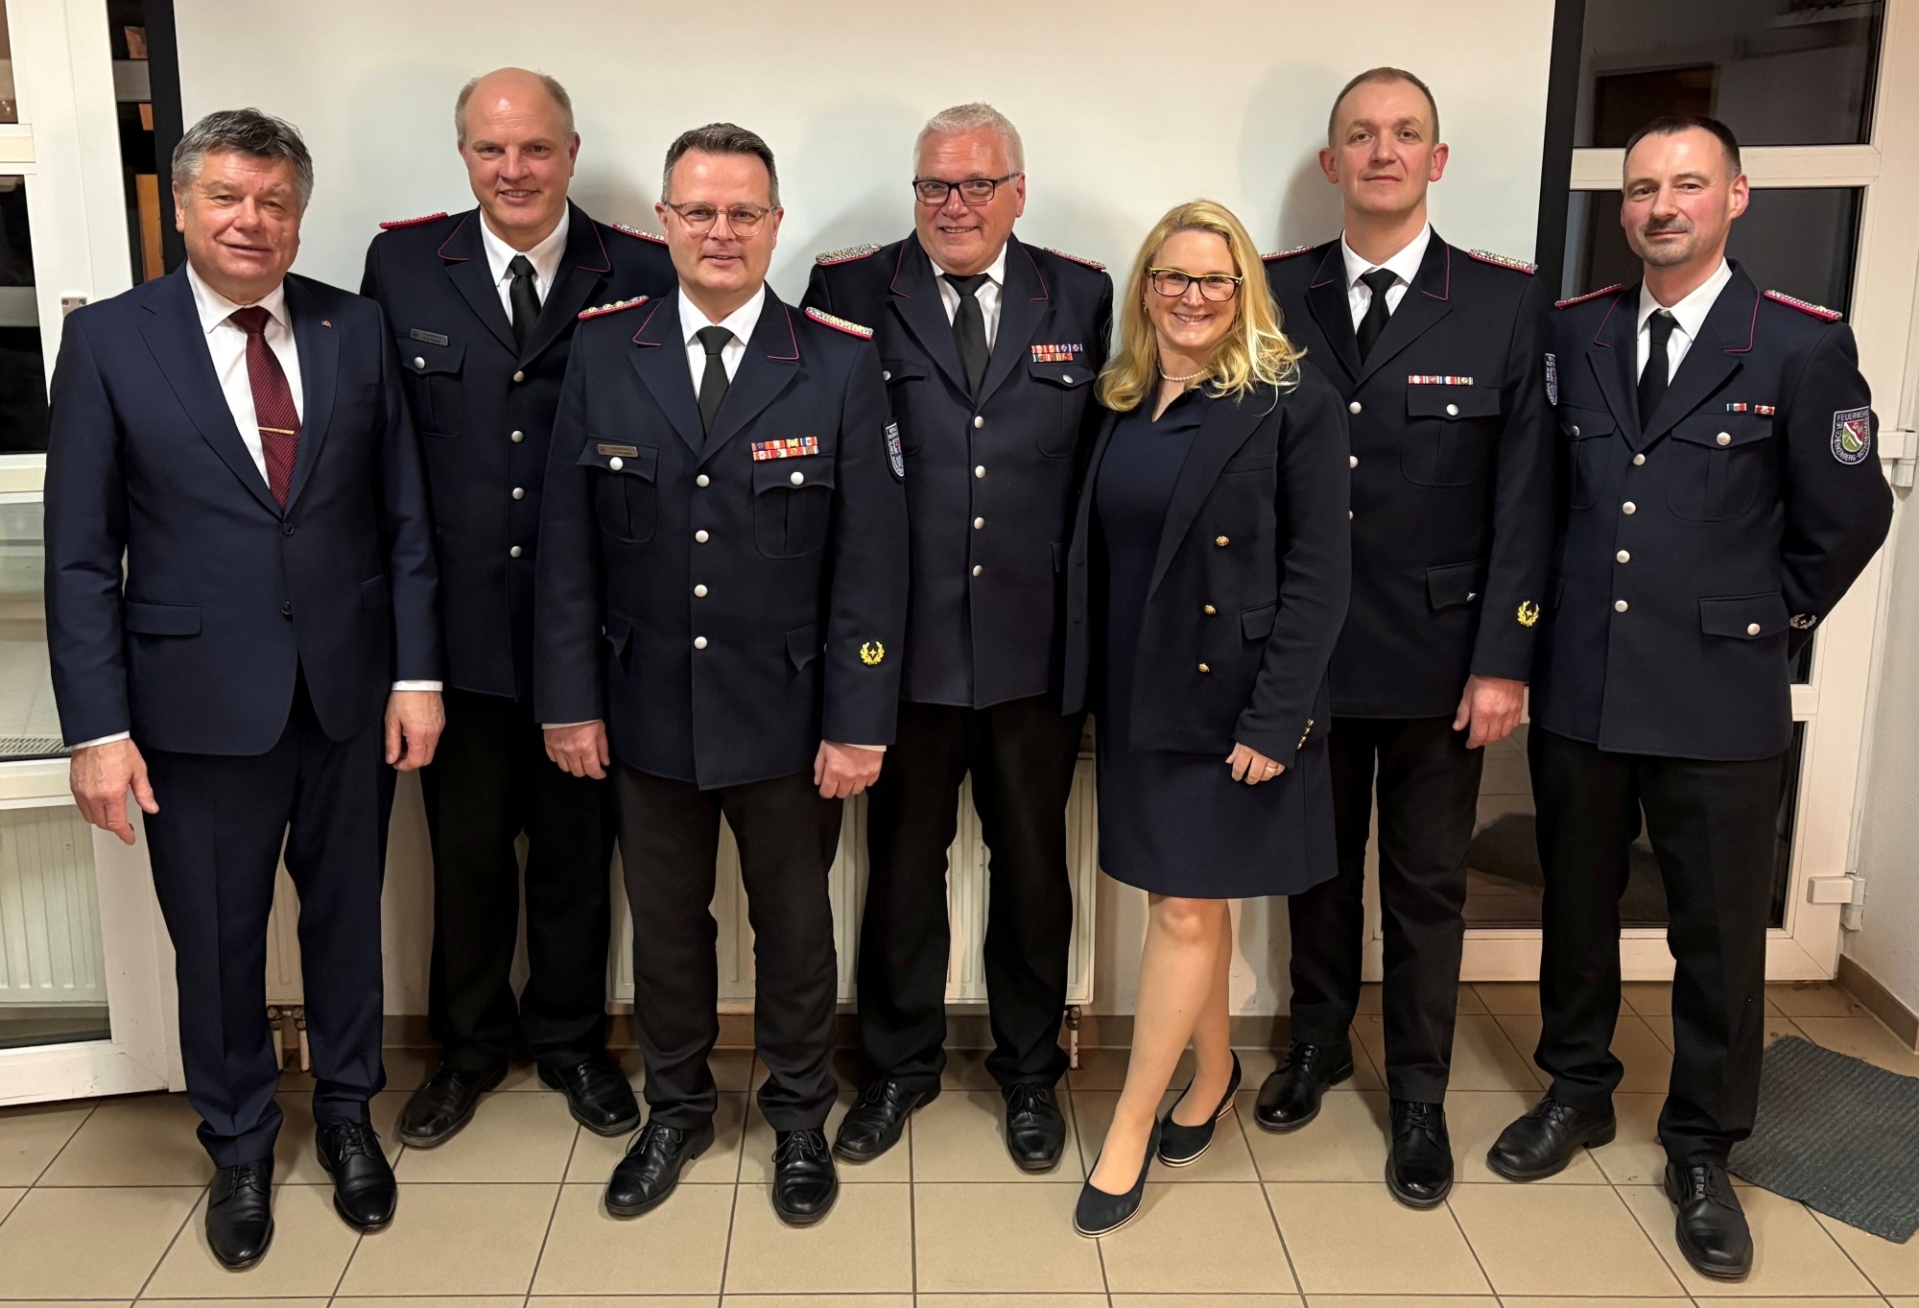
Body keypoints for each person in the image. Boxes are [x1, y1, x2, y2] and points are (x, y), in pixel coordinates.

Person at [1488, 116, 1892, 1280]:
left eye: (1685, 185)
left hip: (1719, 692)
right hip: (1584, 683)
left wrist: (1762, 620)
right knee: (1574, 900)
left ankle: (1703, 1147)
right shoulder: (1574, 334)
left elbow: (1849, 514)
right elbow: (1544, 500)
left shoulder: (1798, 346)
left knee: (1715, 934)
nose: (1659, 206)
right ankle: (1576, 1090)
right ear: (1623, 209)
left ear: (1734, 198)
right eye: (1640, 190)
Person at [44, 109, 442, 1267]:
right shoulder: (114, 342)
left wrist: (416, 676)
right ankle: (236, 1146)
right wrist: (98, 729)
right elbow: (79, 555)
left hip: (348, 696)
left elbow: (403, 518)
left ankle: (349, 1118)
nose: (250, 221)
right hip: (191, 707)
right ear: (181, 206)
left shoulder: (353, 327)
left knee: (345, 925)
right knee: (216, 943)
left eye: (273, 202)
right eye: (227, 197)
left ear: (298, 214)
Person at [536, 123, 907, 1227]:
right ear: (662, 221)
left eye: (743, 212)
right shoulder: (607, 351)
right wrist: (569, 700)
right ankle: (679, 1108)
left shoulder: (835, 360)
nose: (720, 232)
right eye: (697, 211)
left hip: (790, 715)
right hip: (645, 706)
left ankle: (797, 1118)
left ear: (775, 226)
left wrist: (858, 719)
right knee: (665, 924)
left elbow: (870, 567)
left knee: (795, 929)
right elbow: (568, 548)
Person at [360, 68, 674, 1149]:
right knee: (467, 860)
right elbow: (385, 458)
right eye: (491, 151)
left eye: (535, 149)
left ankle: (574, 1044)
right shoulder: (403, 264)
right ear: (464, 158)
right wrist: (405, 659)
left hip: (592, 639)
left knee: (581, 857)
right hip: (455, 638)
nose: (514, 171)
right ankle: (467, 1050)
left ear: (571, 152)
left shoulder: (635, 267)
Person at [1257, 67, 1553, 1206]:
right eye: (1359, 136)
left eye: (1405, 134)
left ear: (1434, 162)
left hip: (1441, 662)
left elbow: (1526, 498)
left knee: (1425, 887)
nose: (1381, 152)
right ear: (1330, 165)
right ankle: (1317, 1042)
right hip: (1306, 654)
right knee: (1313, 874)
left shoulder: (1499, 303)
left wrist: (1503, 657)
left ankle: (1418, 1093)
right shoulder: (1267, 292)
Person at [802, 103, 1112, 1171]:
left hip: (1033, 653)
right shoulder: (847, 290)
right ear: (914, 192)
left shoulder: (1081, 293)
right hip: (901, 653)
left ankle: (1029, 1074)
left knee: (1032, 872)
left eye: (979, 184)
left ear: (1018, 191)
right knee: (899, 868)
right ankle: (895, 1068)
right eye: (935, 186)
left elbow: (1097, 486)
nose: (956, 205)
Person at [1061, 200, 1350, 1237]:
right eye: (1171, 277)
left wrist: (1275, 722)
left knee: (1182, 911)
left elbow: (1320, 578)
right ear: (1145, 288)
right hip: (1138, 697)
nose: (1191, 297)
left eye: (1213, 281)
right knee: (1188, 901)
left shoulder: (1287, 400)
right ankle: (1215, 1069)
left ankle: (1131, 1123)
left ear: (1243, 296)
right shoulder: (1119, 396)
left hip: (1229, 699)